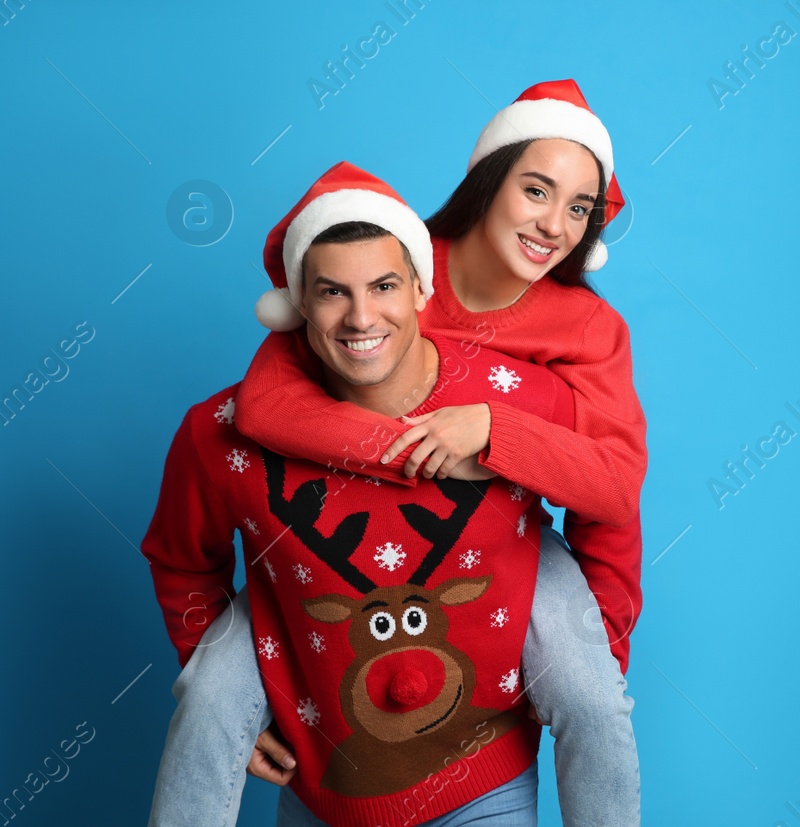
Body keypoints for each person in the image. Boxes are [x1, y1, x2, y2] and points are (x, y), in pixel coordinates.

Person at [234, 79, 645, 825]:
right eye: (536, 190)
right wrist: (404, 450)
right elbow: (262, 405)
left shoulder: (590, 329)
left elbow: (612, 492)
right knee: (208, 696)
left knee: (594, 698)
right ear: (490, 182)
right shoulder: (393, 268)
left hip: (503, 541)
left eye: (579, 208)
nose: (554, 223)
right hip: (342, 551)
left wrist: (493, 430)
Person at [143, 162, 586, 824]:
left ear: (419, 289)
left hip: (481, 781)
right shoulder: (217, 435)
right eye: (331, 292)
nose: (360, 316)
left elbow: (605, 498)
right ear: (299, 302)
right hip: (324, 789)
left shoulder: (523, 403)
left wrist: (596, 643)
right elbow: (181, 560)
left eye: (383, 285)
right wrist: (223, 698)